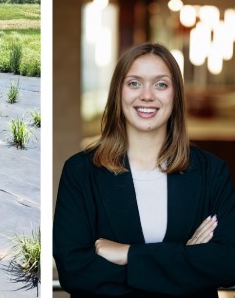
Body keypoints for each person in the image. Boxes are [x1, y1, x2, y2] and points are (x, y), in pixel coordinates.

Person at [54, 42, 235, 296]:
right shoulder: (81, 172)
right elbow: (75, 273)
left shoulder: (211, 173)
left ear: (175, 94)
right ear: (119, 92)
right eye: (134, 83)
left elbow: (227, 262)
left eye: (161, 84)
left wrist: (127, 253)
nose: (147, 95)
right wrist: (185, 257)